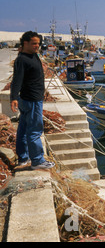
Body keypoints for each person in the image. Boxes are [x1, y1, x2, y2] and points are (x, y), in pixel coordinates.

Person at [10, 31, 55, 170]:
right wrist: (13, 97)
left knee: (23, 129)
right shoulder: (22, 59)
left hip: (30, 99)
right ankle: (37, 161)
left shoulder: (32, 55)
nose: (37, 46)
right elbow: (16, 80)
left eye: (38, 43)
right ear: (25, 43)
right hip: (32, 100)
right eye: (34, 43)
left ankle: (23, 158)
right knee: (35, 130)